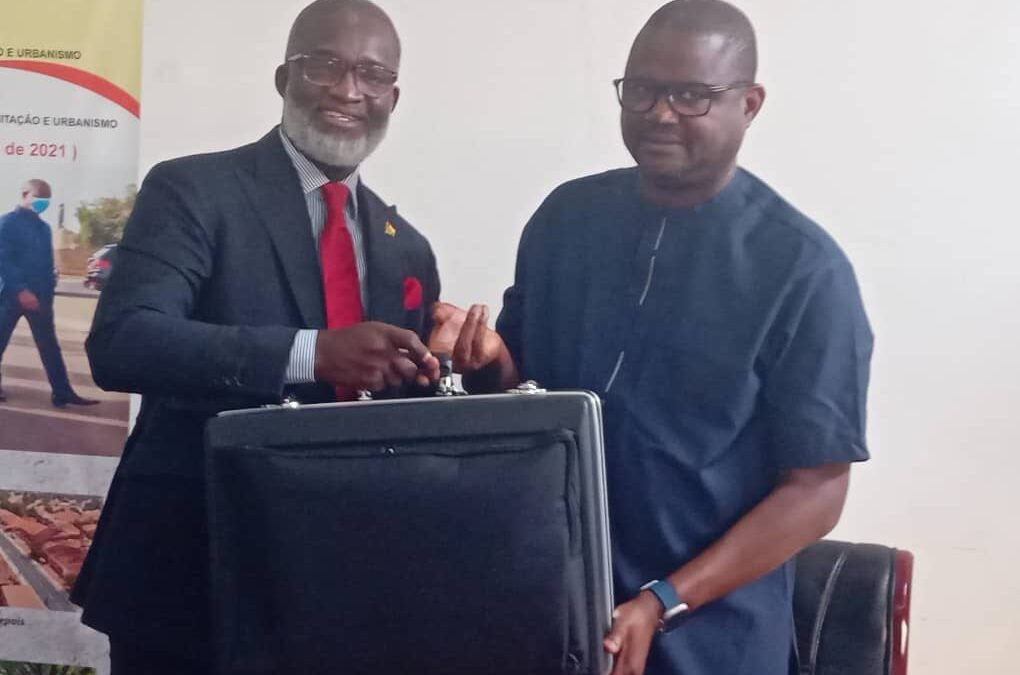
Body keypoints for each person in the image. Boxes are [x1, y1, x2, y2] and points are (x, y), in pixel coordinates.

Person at [431, 1, 873, 673]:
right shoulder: (565, 222)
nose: (660, 113)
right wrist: (489, 362)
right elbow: (533, 401)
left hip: (709, 637)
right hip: (551, 611)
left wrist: (662, 600)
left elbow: (817, 490)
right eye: (641, 89)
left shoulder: (803, 271)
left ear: (749, 104)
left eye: (691, 95)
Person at [70, 1, 441, 671]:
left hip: (341, 584)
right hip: (190, 571)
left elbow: (402, 412)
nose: (348, 90)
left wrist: (464, 366)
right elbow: (124, 340)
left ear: (393, 96)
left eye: (372, 74)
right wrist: (311, 352)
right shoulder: (193, 189)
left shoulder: (406, 249)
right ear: (283, 78)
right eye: (324, 65)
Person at [0, 179, 98, 407]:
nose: (43, 204)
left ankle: (62, 392)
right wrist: (20, 290)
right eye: (39, 199)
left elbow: (45, 263)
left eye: (46, 201)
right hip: (11, 297)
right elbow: (3, 261)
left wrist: (51, 282)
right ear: (25, 194)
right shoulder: (7, 223)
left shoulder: (44, 228)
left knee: (50, 347)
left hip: (41, 298)